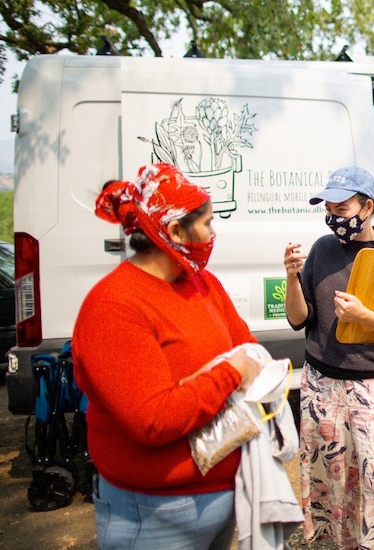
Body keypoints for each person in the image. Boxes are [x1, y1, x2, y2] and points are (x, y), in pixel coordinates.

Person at [72, 163, 263, 549]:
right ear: (174, 231)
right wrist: (229, 373)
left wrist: (204, 381)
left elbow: (249, 347)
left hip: (223, 499)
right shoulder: (114, 306)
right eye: (207, 223)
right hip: (154, 516)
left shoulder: (202, 283)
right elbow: (153, 419)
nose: (213, 233)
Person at [284, 165, 374, 549]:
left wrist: (365, 317)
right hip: (321, 387)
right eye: (328, 208)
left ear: (368, 207)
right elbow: (300, 320)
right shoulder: (322, 250)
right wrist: (291, 278)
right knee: (330, 484)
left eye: (342, 208)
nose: (333, 217)